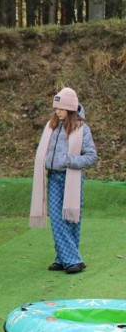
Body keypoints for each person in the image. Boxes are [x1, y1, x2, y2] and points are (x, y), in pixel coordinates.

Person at [29, 87, 97, 274]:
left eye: (61, 108)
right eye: (56, 108)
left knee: (71, 219)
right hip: (53, 178)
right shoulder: (51, 126)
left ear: (70, 109)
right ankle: (68, 258)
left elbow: (91, 156)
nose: (57, 111)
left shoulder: (82, 129)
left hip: (72, 178)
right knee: (58, 219)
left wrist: (68, 161)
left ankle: (67, 259)